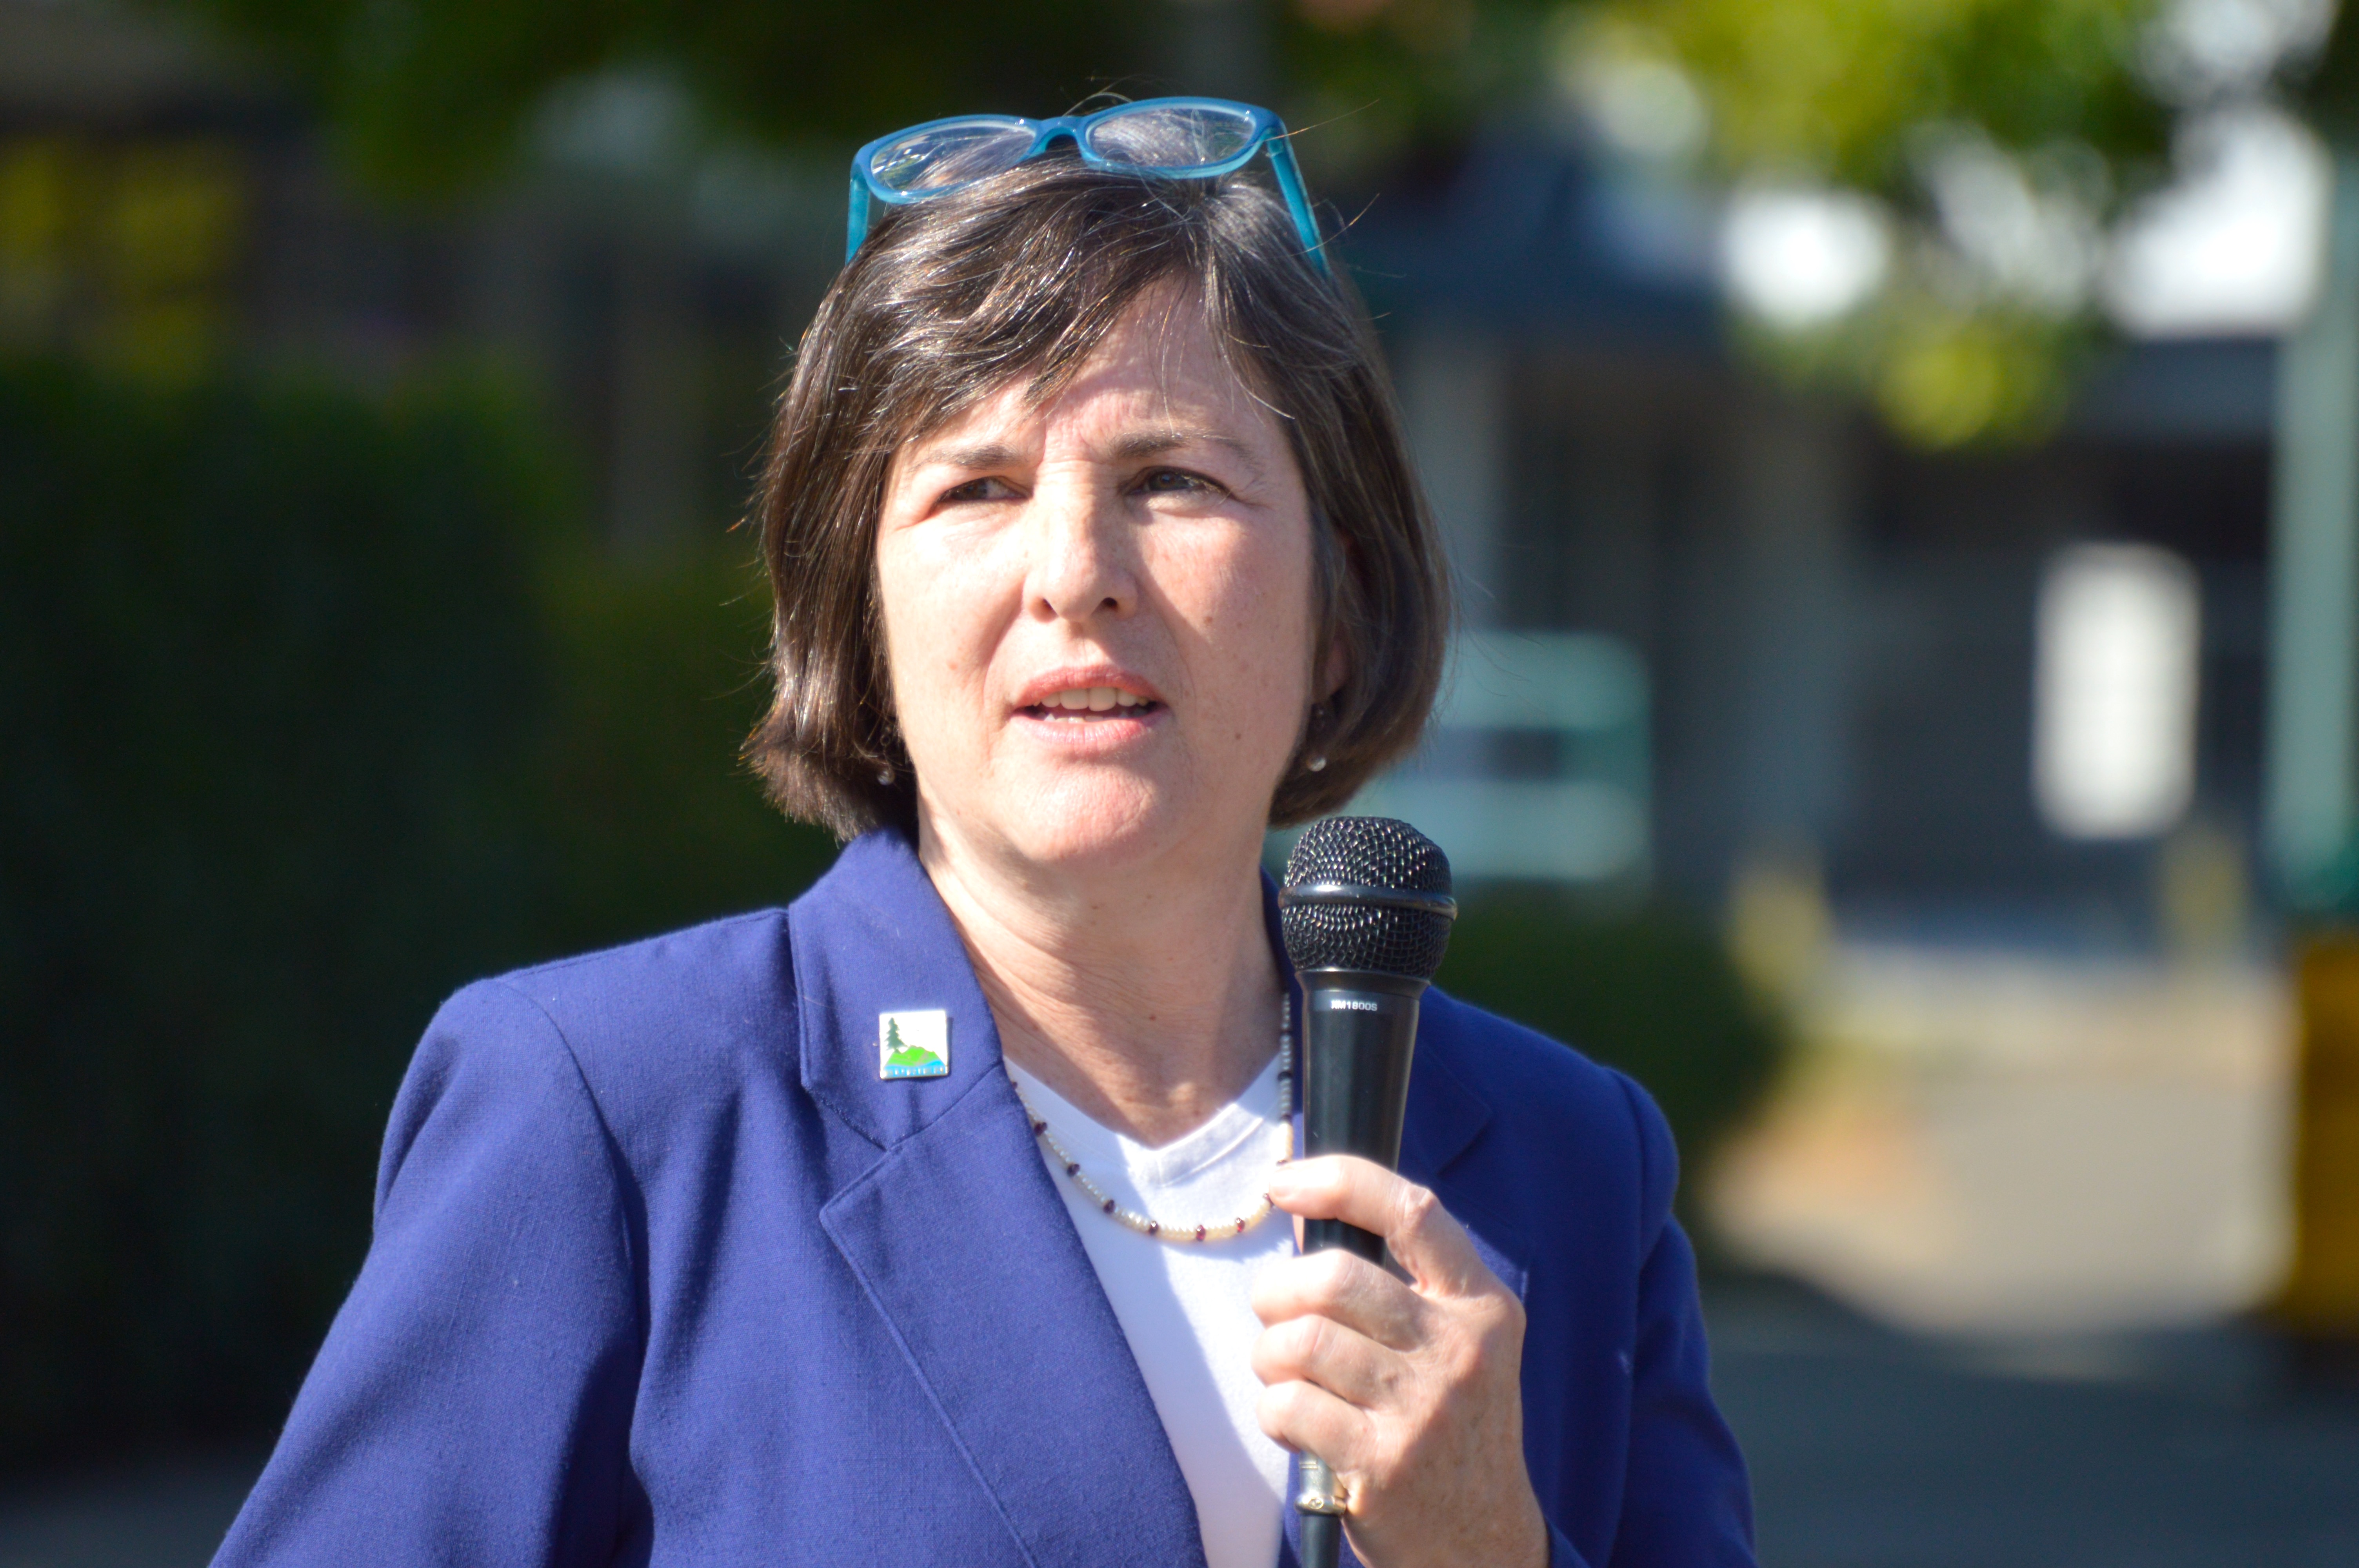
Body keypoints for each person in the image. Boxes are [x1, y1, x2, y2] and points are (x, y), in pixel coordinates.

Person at [213, 98, 1754, 1568]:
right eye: (977, 488)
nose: (1072, 571)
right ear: (860, 611)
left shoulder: (1568, 1156)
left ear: (1336, 612)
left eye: (1172, 479)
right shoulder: (611, 1112)